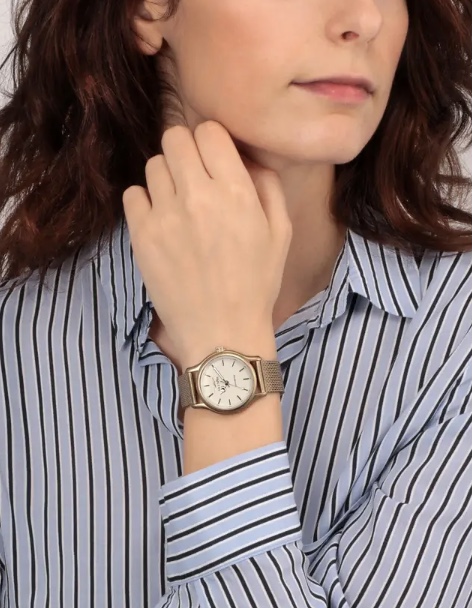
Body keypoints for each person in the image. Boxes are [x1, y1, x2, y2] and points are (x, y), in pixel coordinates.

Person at [0, 0, 472, 605]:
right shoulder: (16, 346)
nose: (364, 18)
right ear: (147, 11)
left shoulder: (457, 340)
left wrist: (225, 349)